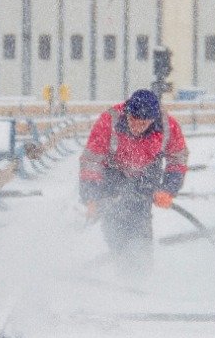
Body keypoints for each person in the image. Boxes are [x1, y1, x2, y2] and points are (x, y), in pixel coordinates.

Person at [79, 89, 188, 268]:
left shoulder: (168, 126)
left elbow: (178, 158)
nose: (136, 127)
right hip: (113, 173)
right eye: (132, 121)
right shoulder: (110, 121)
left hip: (147, 175)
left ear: (153, 120)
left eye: (142, 123)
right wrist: (91, 196)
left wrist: (168, 189)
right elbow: (91, 160)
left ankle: (140, 269)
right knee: (113, 224)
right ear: (127, 113)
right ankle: (121, 259)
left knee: (140, 225)